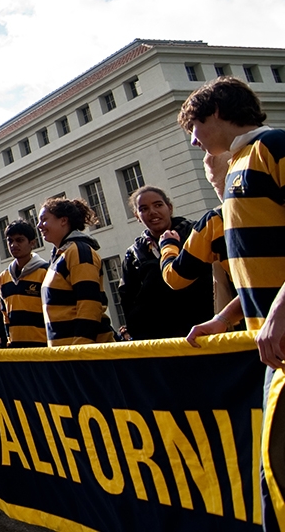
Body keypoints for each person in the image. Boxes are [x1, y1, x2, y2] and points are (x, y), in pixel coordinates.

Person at [171, 77, 285, 530]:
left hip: (278, 336)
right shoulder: (235, 167)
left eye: (195, 127)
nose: (195, 140)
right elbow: (262, 266)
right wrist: (225, 317)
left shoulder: (272, 145)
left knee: (273, 477)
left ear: (217, 111)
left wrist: (277, 312)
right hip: (270, 346)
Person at [119, 186, 213, 339]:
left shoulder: (196, 234)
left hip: (203, 332)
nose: (152, 212)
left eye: (158, 205)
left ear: (169, 208)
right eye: (144, 208)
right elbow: (128, 299)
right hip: (160, 340)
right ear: (137, 215)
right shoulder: (134, 254)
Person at [38, 198, 115, 346]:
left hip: (86, 356)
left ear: (63, 221)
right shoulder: (60, 255)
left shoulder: (79, 251)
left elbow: (89, 304)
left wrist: (80, 349)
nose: (39, 225)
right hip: (67, 355)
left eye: (44, 219)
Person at [0, 220, 49, 348]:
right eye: (10, 241)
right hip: (17, 349)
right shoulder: (4, 277)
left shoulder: (46, 272)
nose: (14, 245)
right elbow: (6, 315)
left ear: (32, 243)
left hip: (43, 347)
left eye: (19, 240)